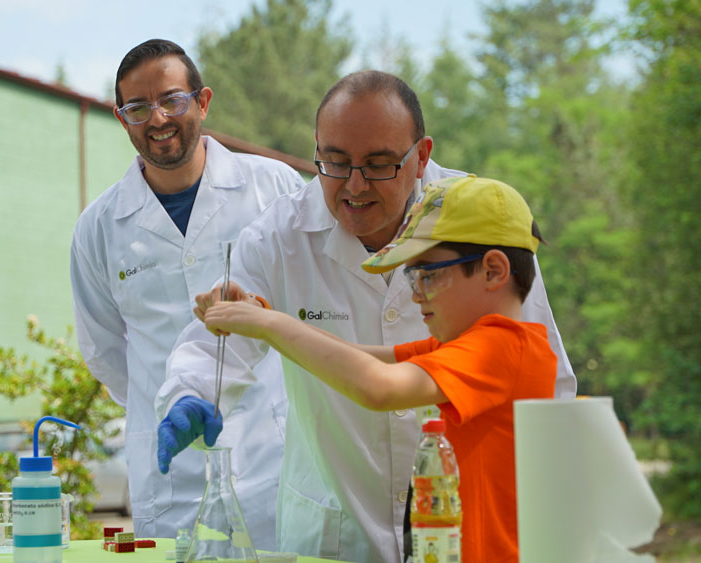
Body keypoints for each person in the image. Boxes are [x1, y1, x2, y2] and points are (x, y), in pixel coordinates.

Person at [155, 70, 576, 562]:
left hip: (464, 533)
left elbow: (386, 387)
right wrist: (194, 388)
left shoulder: (478, 225)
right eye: (334, 162)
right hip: (337, 524)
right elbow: (225, 346)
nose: (354, 185)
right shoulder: (279, 235)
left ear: (420, 157)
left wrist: (275, 325)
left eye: (378, 165)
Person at [201, 175, 554, 563]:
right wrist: (262, 316)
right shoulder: (466, 346)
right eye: (412, 277)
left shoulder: (502, 347)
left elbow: (379, 387)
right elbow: (363, 358)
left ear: (492, 270)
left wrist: (271, 326)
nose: (416, 294)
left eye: (428, 275)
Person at [69, 39, 304, 546]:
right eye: (138, 107)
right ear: (121, 117)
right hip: (169, 474)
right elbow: (105, 351)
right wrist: (166, 401)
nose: (157, 118)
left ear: (203, 101)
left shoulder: (275, 188)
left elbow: (308, 308)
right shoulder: (99, 227)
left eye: (172, 99)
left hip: (269, 458)